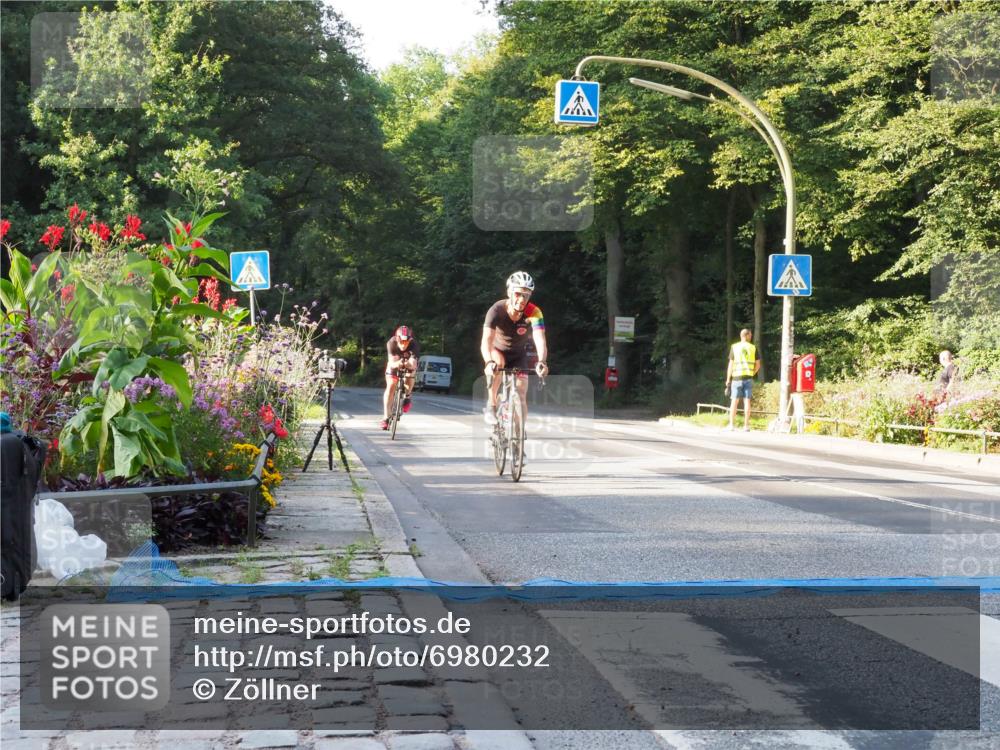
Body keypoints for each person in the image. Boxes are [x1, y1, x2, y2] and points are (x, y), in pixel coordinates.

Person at [481, 271, 549, 425]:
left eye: (526, 295)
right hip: (497, 350)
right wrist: (488, 362)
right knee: (497, 364)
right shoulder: (496, 310)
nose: (522, 299)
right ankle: (491, 405)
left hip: (518, 354)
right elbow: (486, 340)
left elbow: (540, 338)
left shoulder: (534, 312)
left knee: (521, 392)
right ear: (509, 292)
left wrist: (542, 361)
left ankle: (518, 438)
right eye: (518, 293)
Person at [381, 325, 420, 430]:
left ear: (410, 340)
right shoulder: (391, 343)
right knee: (390, 386)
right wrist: (398, 363)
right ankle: (385, 417)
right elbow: (392, 364)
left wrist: (408, 364)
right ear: (397, 339)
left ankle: (407, 396)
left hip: (408, 362)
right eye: (401, 342)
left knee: (410, 374)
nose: (404, 345)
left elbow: (413, 363)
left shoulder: (414, 344)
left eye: (406, 342)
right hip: (395, 361)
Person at [725, 328, 761, 431]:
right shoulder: (753, 348)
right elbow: (758, 365)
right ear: (748, 335)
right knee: (747, 401)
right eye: (751, 335)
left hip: (736, 378)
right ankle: (746, 426)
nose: (751, 336)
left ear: (741, 336)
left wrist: (728, 379)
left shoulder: (734, 347)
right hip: (748, 378)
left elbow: (730, 365)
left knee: (734, 402)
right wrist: (752, 373)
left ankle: (731, 425)